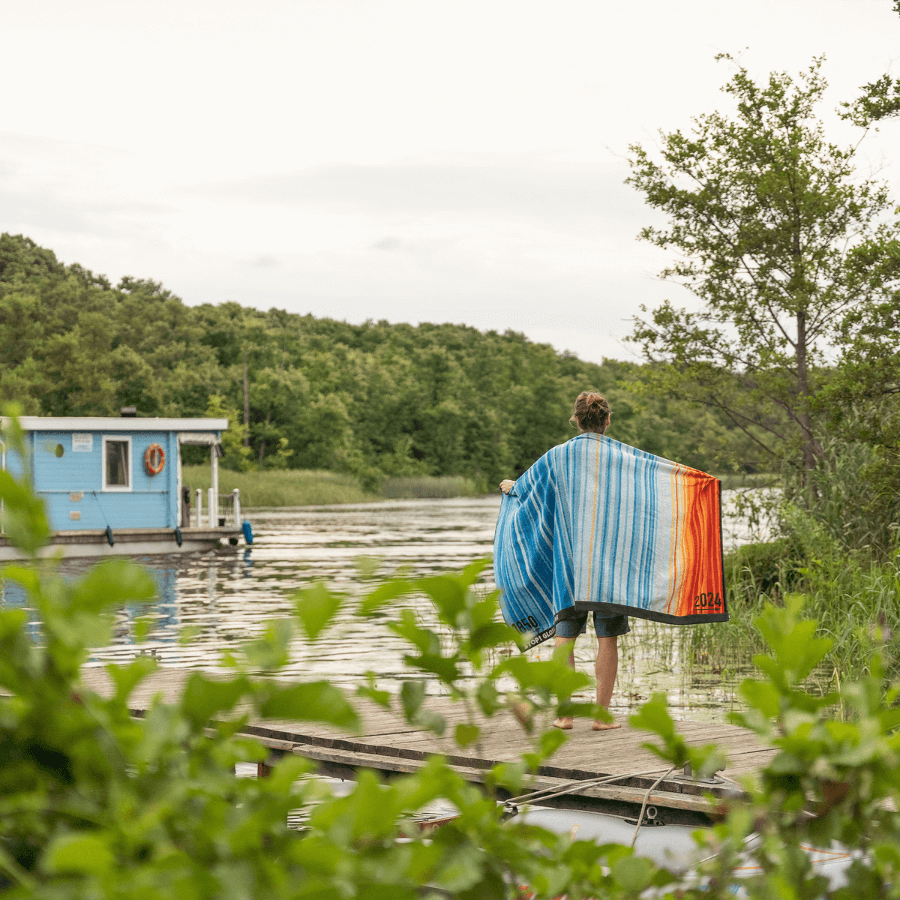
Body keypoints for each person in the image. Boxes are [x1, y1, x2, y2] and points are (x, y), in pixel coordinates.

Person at [499, 390, 628, 731]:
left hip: (568, 564)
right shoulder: (622, 457)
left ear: (575, 420)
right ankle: (601, 718)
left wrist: (510, 485)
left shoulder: (558, 456)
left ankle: (565, 715)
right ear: (607, 420)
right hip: (607, 562)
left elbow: (526, 489)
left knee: (565, 636)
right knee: (607, 638)